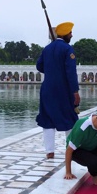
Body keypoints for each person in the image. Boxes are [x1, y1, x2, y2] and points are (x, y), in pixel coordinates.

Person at [36, 22, 80, 159]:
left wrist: (51, 71)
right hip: (63, 90)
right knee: (70, 118)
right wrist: (75, 92)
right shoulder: (68, 49)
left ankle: (49, 151)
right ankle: (71, 150)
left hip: (47, 89)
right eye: (70, 33)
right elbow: (71, 73)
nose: (72, 35)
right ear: (66, 34)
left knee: (48, 119)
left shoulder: (47, 49)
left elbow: (39, 66)